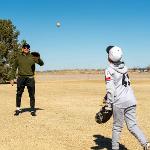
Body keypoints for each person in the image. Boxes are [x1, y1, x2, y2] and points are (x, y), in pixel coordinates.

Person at [104, 45, 150, 150]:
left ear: (109, 57)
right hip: (131, 100)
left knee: (117, 128)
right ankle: (146, 144)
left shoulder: (109, 70)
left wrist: (108, 105)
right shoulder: (124, 68)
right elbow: (118, 85)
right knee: (132, 125)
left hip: (119, 102)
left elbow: (111, 89)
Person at [9, 43, 44, 116]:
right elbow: (14, 68)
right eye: (25, 47)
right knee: (19, 94)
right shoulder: (18, 57)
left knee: (32, 95)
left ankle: (32, 110)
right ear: (22, 49)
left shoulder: (33, 57)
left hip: (30, 78)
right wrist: (12, 78)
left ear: (29, 49)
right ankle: (18, 109)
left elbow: (41, 64)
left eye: (28, 47)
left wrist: (39, 58)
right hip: (21, 78)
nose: (26, 49)